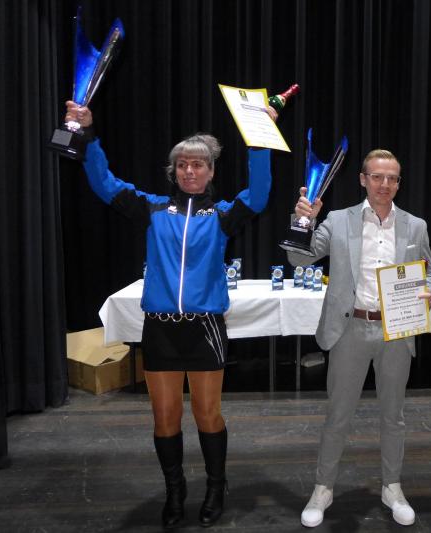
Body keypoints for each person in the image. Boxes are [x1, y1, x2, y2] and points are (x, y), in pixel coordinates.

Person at [63, 100, 276, 528]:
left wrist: (259, 140)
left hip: (204, 329)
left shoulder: (222, 216)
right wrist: (87, 134)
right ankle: (175, 492)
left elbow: (260, 194)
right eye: (182, 165)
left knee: (207, 414)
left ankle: (215, 487)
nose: (189, 171)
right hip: (160, 330)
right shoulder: (154, 209)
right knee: (164, 418)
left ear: (211, 172)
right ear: (173, 171)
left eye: (198, 165)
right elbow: (104, 183)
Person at [287, 149, 431, 528]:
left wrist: (430, 292)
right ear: (363, 179)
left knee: (394, 416)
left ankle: (392, 487)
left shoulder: (415, 226)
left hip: (396, 328)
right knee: (338, 415)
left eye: (392, 178)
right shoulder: (338, 220)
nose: (384, 184)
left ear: (399, 183)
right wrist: (303, 220)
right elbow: (299, 260)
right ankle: (323, 488)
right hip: (349, 329)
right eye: (377, 177)